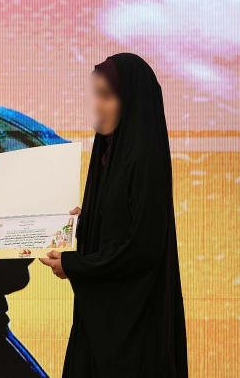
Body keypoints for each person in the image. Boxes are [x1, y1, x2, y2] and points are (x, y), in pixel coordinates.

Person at [40, 53, 188, 377]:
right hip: (105, 326)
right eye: (96, 95)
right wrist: (86, 224)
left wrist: (75, 265)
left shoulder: (144, 157)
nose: (98, 106)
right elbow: (120, 223)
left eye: (107, 96)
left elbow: (143, 248)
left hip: (134, 330)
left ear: (131, 100)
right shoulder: (110, 152)